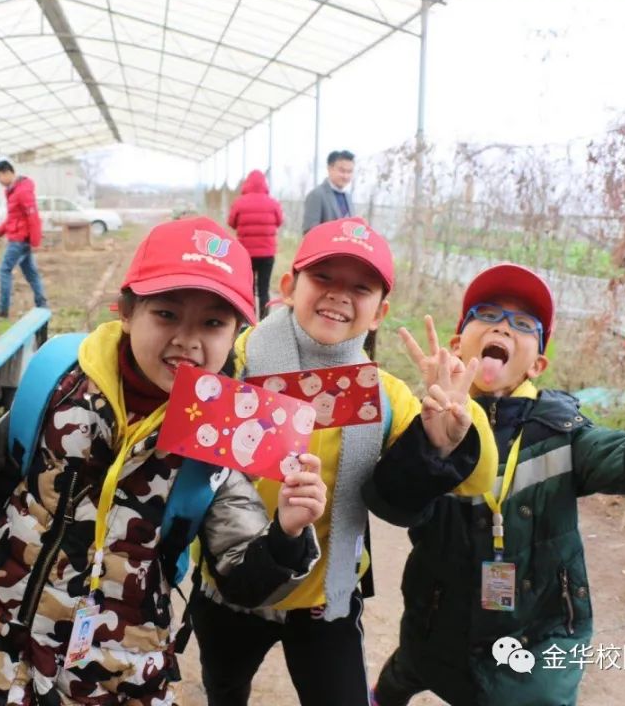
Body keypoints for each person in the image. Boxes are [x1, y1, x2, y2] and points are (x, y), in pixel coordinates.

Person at [0, 217, 329, 705]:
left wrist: (284, 537)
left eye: (213, 323)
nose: (187, 339)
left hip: (115, 676)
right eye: (166, 314)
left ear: (237, 332)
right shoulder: (58, 377)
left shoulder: (223, 433)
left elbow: (240, 578)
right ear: (128, 310)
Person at [367, 263, 625, 706]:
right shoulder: (427, 418)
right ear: (459, 343)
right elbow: (395, 504)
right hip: (437, 617)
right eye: (488, 314)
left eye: (523, 324)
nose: (503, 327)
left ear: (537, 362)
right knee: (408, 670)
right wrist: (432, 446)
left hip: (537, 634)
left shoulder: (562, 430)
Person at [190, 217, 499, 706]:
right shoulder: (235, 363)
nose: (339, 295)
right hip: (233, 591)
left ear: (379, 312)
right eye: (324, 278)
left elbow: (474, 481)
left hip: (323, 604)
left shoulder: (387, 397)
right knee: (225, 690)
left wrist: (448, 434)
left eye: (360, 287)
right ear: (290, 286)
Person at [0, 159, 48, 317]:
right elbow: (13, 218)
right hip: (19, 238)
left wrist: (35, 241)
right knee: (31, 273)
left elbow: (33, 216)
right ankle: (42, 304)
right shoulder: (12, 191)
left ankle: (3, 311)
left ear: (7, 172)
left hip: (20, 240)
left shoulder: (22, 191)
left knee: (4, 270)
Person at [228, 169, 284, 319]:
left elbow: (231, 222)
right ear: (265, 184)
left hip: (246, 254)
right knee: (264, 289)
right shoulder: (273, 203)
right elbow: (279, 222)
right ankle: (264, 320)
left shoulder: (239, 203)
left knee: (249, 289)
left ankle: (249, 320)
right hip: (267, 253)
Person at [301, 150, 355, 234]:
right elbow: (310, 231)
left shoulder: (348, 197)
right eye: (342, 171)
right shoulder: (317, 195)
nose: (346, 176)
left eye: (349, 172)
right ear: (330, 169)